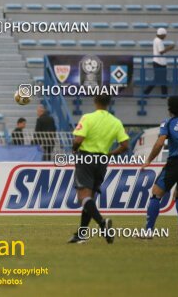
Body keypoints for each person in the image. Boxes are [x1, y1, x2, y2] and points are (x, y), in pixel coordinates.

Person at [68, 95, 129, 244]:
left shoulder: (88, 118)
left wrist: (74, 149)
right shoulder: (116, 122)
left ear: (95, 102)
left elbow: (78, 139)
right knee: (90, 199)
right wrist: (110, 154)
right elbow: (125, 145)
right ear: (109, 103)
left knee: (83, 197)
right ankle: (81, 235)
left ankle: (102, 224)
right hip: (102, 161)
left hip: (86, 158)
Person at [141, 96, 178, 239]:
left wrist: (149, 160)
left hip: (174, 163)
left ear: (170, 109)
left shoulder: (168, 123)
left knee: (156, 195)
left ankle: (148, 231)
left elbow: (160, 142)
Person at [144, 28, 175, 96]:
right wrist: (170, 48)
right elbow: (161, 52)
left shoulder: (156, 40)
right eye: (164, 35)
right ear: (162, 34)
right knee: (158, 79)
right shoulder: (159, 41)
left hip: (158, 62)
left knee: (162, 79)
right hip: (159, 63)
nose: (165, 37)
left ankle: (164, 94)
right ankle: (146, 92)